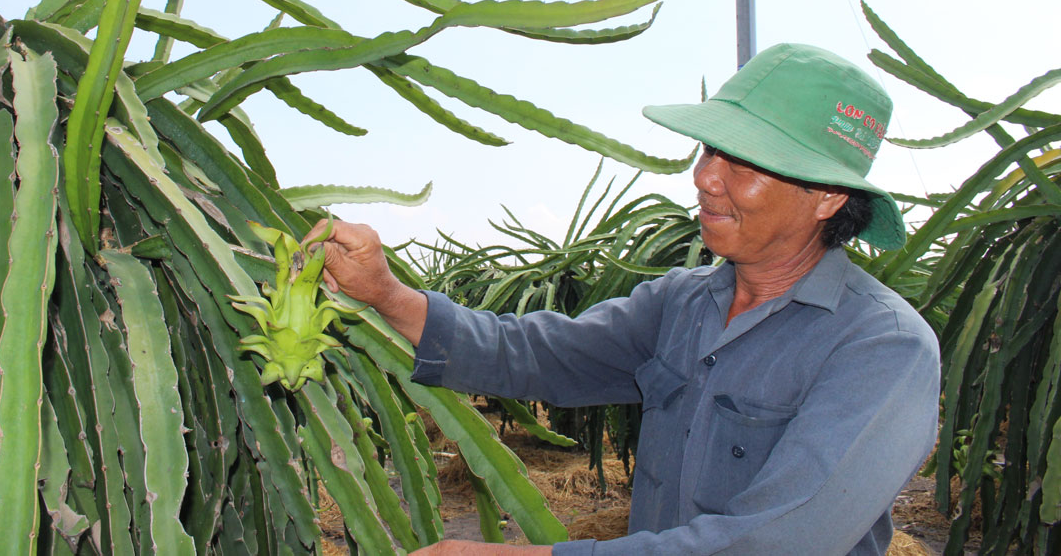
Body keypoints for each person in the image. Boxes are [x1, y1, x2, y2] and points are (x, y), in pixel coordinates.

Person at [305, 43, 941, 555]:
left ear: (827, 197)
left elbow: (781, 539)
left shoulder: (884, 348)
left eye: (743, 163)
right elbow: (539, 354)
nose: (704, 177)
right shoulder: (679, 304)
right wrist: (385, 293)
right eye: (709, 150)